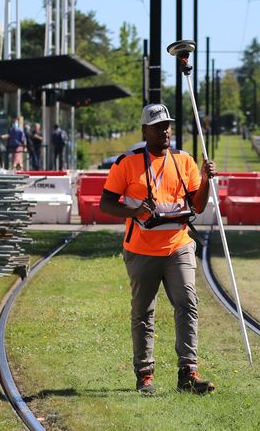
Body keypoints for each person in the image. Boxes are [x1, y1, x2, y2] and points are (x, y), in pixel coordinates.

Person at [99, 103, 217, 396]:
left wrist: (205, 180)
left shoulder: (184, 160)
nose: (164, 130)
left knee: (188, 303)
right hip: (140, 249)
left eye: (167, 125)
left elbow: (197, 206)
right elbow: (106, 203)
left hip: (178, 245)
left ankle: (188, 374)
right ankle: (145, 375)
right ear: (145, 130)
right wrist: (135, 210)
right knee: (143, 312)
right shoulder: (127, 162)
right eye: (158, 125)